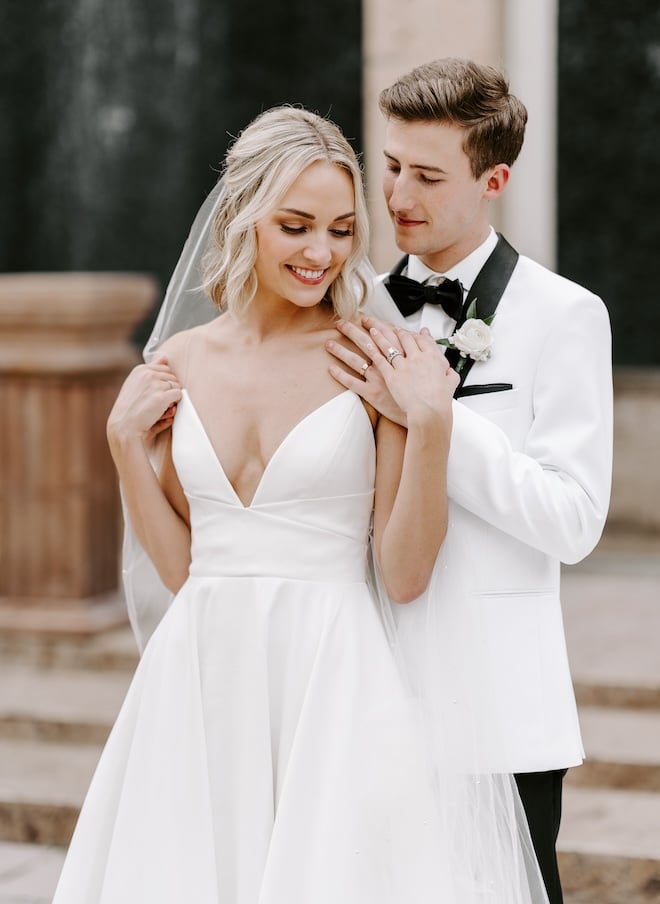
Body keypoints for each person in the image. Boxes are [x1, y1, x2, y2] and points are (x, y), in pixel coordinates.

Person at [52, 104, 548, 904]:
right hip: (198, 681)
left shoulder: (372, 356)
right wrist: (123, 447)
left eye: (344, 230)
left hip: (334, 678)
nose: (323, 253)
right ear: (245, 215)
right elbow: (187, 570)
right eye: (296, 226)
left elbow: (407, 572)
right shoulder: (178, 361)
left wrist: (429, 422)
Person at [327, 58, 613, 904]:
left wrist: (438, 418)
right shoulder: (352, 309)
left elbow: (574, 521)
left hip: (500, 715)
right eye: (390, 166)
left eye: (427, 174)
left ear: (494, 179)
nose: (397, 194)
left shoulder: (566, 316)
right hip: (371, 701)